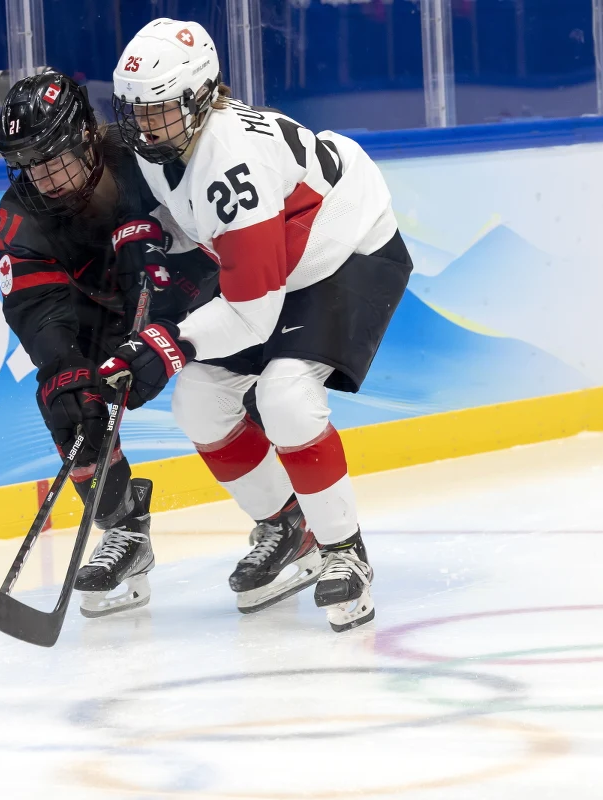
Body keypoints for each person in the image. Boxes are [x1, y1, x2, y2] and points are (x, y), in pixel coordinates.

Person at [101, 19, 414, 632]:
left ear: (199, 97)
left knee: (286, 397)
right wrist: (152, 231)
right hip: (279, 264)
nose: (143, 125)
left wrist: (170, 342)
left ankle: (344, 550)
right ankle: (286, 527)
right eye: (135, 110)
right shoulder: (168, 139)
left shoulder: (230, 162)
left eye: (158, 110)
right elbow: (180, 210)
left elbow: (251, 312)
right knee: (197, 404)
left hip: (345, 248)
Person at [0, 72, 219, 617]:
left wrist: (168, 302)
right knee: (70, 404)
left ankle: (285, 521)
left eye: (52, 159)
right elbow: (34, 303)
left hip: (207, 286)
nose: (42, 177)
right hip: (109, 305)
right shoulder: (20, 215)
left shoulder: (148, 154)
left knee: (237, 393)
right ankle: (124, 531)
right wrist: (62, 365)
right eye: (29, 163)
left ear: (87, 137)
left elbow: (219, 227)